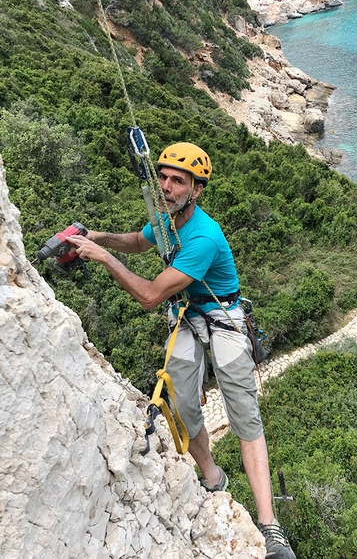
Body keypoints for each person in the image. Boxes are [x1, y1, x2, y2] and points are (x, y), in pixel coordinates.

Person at [68, 142, 296, 559]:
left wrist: (101, 256)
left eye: (178, 181)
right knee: (182, 405)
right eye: (164, 177)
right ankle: (212, 477)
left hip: (222, 316)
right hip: (189, 317)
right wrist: (97, 236)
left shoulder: (203, 236)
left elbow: (152, 295)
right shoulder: (166, 221)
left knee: (243, 411)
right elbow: (139, 240)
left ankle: (269, 525)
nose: (167, 187)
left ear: (197, 189)